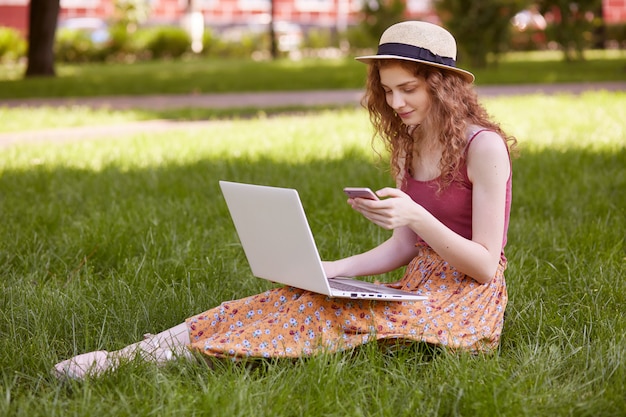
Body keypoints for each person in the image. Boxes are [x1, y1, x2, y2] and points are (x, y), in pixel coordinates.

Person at [53, 20, 516, 380]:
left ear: (442, 84)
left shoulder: (483, 147)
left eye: (408, 89)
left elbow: (484, 265)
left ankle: (182, 353)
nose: (395, 102)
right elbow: (403, 249)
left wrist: (415, 214)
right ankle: (136, 354)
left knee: (328, 318)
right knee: (295, 296)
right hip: (418, 288)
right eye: (388, 89)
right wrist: (328, 271)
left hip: (464, 303)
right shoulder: (410, 144)